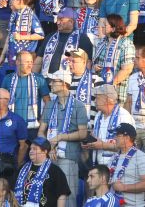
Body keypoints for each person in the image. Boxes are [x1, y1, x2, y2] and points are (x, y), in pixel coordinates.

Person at [38, 69, 87, 207]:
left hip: (68, 156)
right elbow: (41, 131)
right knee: (49, 195)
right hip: (49, 156)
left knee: (68, 196)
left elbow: (83, 133)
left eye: (54, 81)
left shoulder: (78, 105)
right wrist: (48, 147)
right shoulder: (49, 105)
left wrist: (60, 137)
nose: (50, 84)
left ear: (64, 83)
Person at [14, 137, 71, 207]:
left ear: (45, 151)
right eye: (30, 149)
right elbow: (12, 191)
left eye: (35, 149)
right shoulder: (22, 169)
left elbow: (62, 194)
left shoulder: (55, 170)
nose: (31, 151)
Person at [109, 123, 145, 207]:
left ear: (127, 138)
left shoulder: (141, 157)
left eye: (118, 135)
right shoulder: (114, 157)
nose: (115, 138)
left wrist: (124, 187)